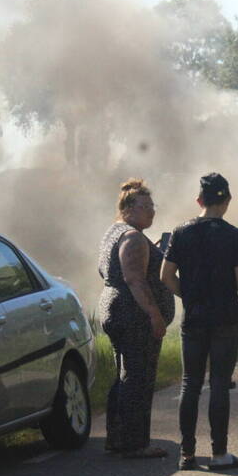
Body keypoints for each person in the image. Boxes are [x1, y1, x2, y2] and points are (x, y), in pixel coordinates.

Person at [161, 173, 238, 471]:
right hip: (226, 319)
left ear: (199, 200)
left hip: (194, 318)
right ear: (226, 201)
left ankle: (187, 454)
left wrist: (188, 296)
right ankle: (219, 454)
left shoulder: (181, 233)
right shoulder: (235, 236)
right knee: (218, 383)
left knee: (190, 383)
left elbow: (165, 276)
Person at [97, 178, 175, 458]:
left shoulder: (114, 232)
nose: (152, 211)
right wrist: (154, 315)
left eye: (153, 206)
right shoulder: (131, 237)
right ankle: (135, 443)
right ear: (128, 208)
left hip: (115, 308)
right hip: (133, 314)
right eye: (146, 206)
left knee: (125, 375)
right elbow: (134, 279)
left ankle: (117, 438)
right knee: (138, 378)